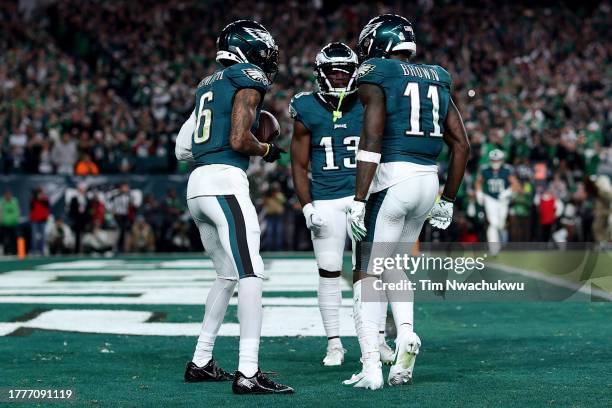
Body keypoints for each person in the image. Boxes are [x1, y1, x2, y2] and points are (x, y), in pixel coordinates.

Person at [346, 14, 469, 389]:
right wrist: (448, 198)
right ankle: (406, 334)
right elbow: (461, 144)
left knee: (367, 271)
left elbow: (372, 137)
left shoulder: (378, 71)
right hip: (427, 180)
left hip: (393, 179)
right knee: (394, 265)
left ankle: (370, 366)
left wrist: (359, 197)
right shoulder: (437, 75)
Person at [174, 20, 292, 394]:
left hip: (197, 185)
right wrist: (267, 149)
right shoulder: (248, 76)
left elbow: (182, 148)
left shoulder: (207, 85)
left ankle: (202, 360)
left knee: (226, 274)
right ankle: (248, 371)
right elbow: (241, 139)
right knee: (251, 272)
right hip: (225, 182)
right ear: (248, 51)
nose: (266, 62)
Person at [289, 43, 393, 367]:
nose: (339, 76)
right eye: (333, 70)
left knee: (371, 272)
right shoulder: (306, 106)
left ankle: (378, 339)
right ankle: (334, 343)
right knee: (329, 270)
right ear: (320, 73)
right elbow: (298, 164)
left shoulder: (368, 100)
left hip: (362, 197)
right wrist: (307, 206)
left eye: (345, 71)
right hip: (326, 199)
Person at [475, 149, 518, 254]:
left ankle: (501, 242)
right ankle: (494, 248)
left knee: (501, 224)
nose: (495, 163)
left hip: (503, 200)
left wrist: (507, 192)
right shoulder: (485, 169)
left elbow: (515, 184)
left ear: (502, 160)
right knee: (493, 223)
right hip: (490, 199)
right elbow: (478, 182)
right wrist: (479, 193)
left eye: (497, 160)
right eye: (493, 160)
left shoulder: (507, 170)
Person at [29, 187, 50, 254]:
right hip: (35, 220)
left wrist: (41, 199)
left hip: (43, 220)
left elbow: (47, 205)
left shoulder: (45, 199)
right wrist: (35, 198)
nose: (40, 195)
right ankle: (34, 251)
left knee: (43, 237)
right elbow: (31, 206)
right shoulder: (33, 199)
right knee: (34, 236)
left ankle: (42, 251)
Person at [0, 191, 20, 255]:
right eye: (6, 195)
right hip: (4, 223)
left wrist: (17, 219)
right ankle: (6, 251)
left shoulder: (14, 201)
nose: (8, 196)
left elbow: (17, 210)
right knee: (5, 239)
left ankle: (14, 251)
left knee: (14, 238)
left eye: (9, 195)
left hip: (13, 223)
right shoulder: (2, 202)